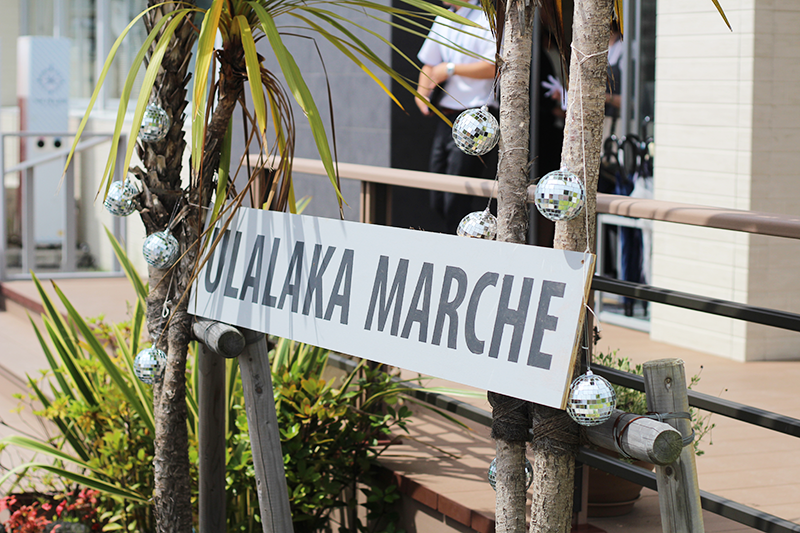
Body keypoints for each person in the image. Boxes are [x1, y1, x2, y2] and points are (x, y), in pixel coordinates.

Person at [415, 0, 497, 232]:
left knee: (457, 197)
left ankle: (460, 243)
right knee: (437, 194)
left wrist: (451, 69)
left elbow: (494, 67)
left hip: (477, 117)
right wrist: (421, 92)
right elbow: (429, 64)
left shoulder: (486, 19)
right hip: (446, 115)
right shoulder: (443, 17)